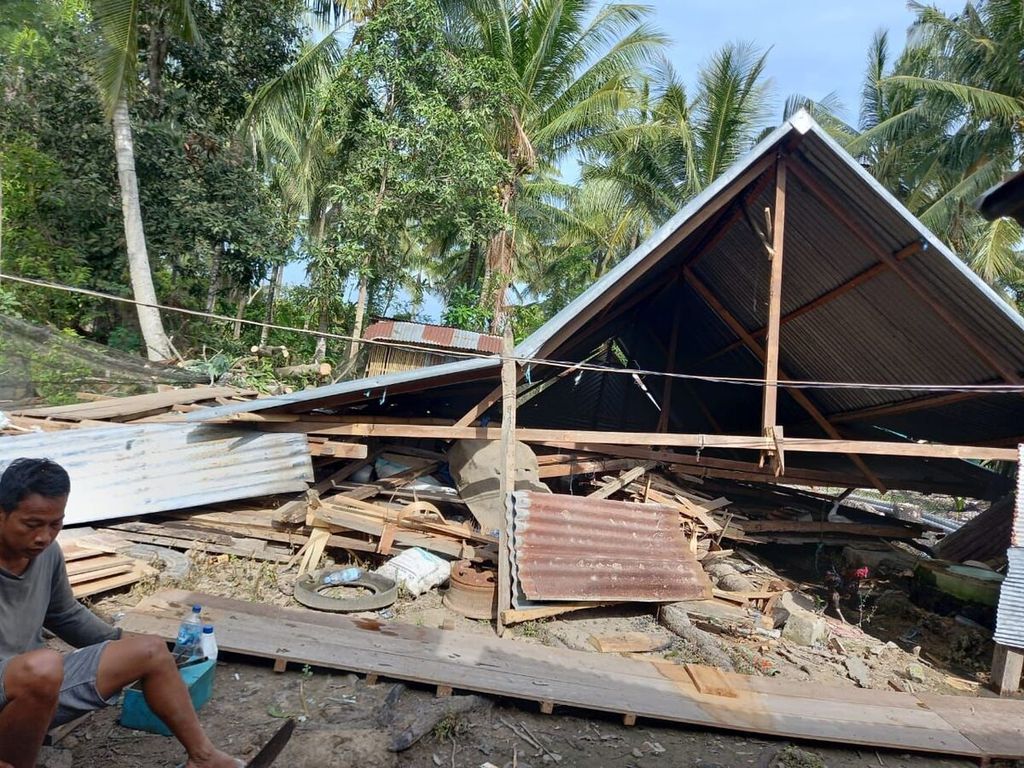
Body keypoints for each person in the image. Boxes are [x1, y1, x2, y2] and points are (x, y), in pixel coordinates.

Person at [0, 458, 241, 768]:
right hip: (26, 680)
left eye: (55, 524)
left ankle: (204, 758)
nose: (44, 537)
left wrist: (118, 643)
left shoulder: (47, 554)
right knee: (43, 666)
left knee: (150, 650)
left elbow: (63, 613)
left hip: (34, 690)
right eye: (32, 525)